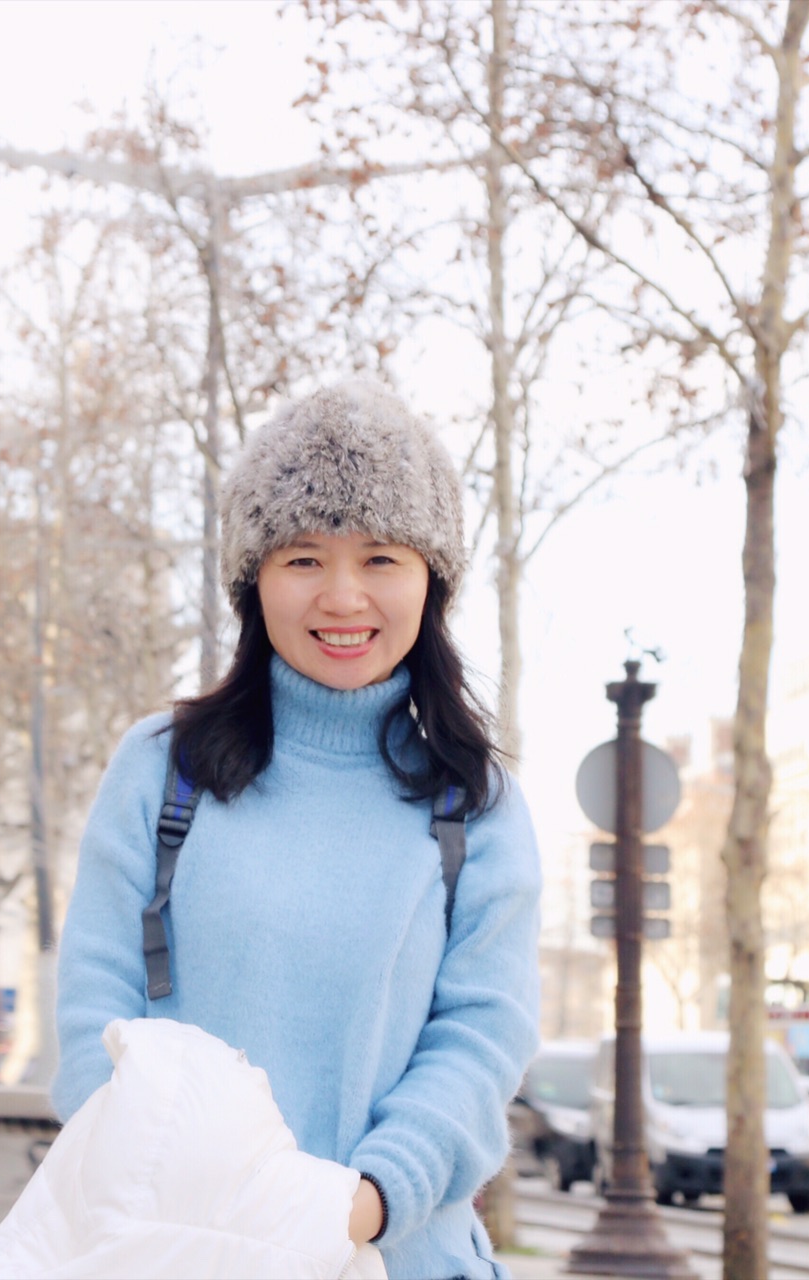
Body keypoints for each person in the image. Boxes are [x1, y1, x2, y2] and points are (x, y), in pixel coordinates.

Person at [52, 383, 541, 1278]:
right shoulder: (164, 769)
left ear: (431, 580)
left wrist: (361, 1204)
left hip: (400, 1255)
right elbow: (98, 1003)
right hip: (180, 1254)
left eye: (382, 558)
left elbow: (482, 1039)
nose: (344, 597)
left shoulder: (475, 804)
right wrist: (178, 1202)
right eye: (305, 559)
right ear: (255, 580)